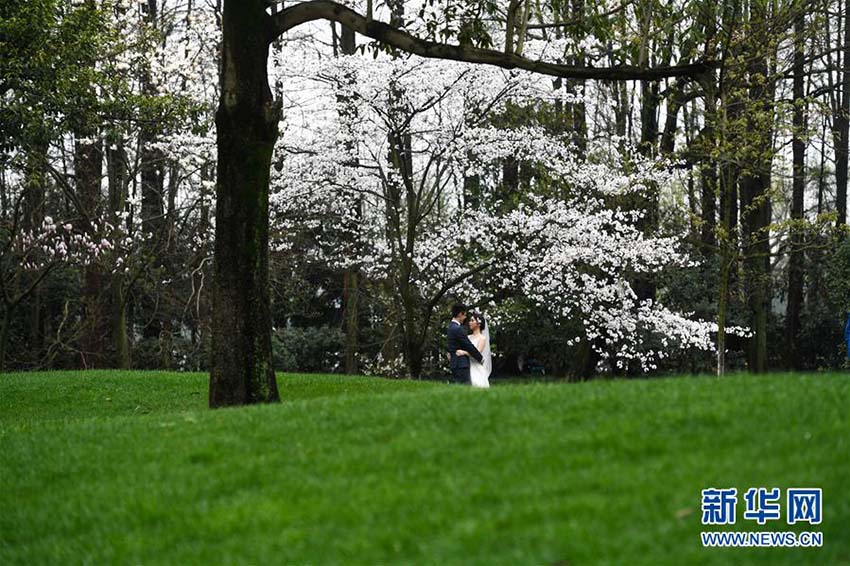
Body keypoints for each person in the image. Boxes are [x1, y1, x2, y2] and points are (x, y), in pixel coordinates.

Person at [446, 304, 483, 384]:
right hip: (461, 365)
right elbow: (468, 345)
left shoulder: (450, 327)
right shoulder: (457, 329)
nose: (465, 318)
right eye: (464, 315)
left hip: (455, 364)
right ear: (460, 314)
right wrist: (480, 358)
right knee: (465, 388)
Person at [456, 311, 492, 388]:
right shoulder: (468, 337)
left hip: (476, 367)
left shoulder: (482, 338)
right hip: (467, 366)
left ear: (478, 324)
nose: (470, 323)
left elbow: (477, 353)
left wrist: (464, 352)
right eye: (470, 320)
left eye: (472, 320)